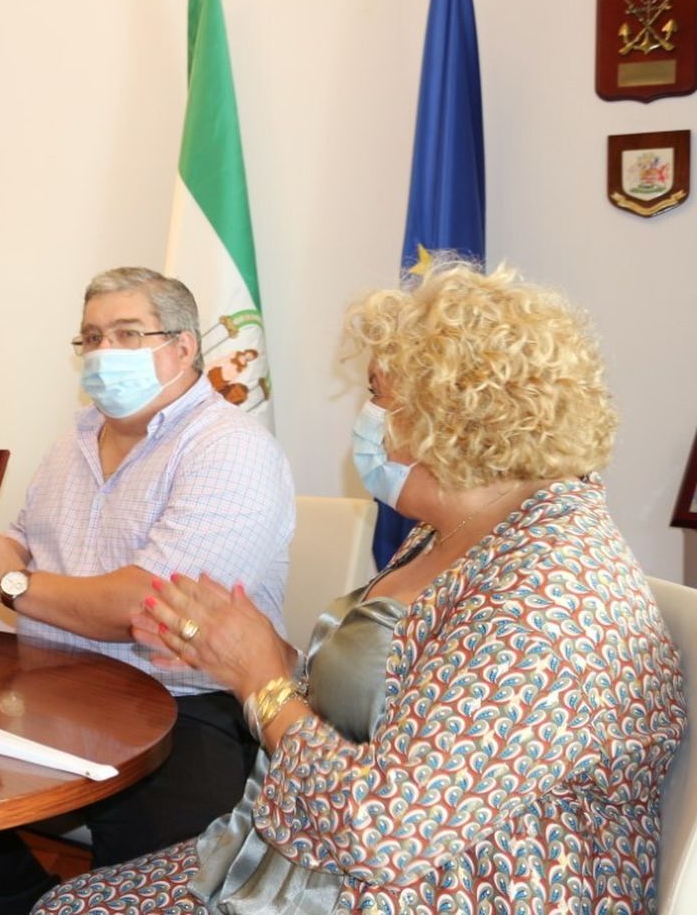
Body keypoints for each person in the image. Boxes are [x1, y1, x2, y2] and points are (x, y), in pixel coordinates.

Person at [37, 261, 687, 914]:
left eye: (378, 394)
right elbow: (385, 703)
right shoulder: (457, 529)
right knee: (72, 903)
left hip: (461, 888)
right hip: (348, 861)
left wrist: (261, 682)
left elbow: (385, 832)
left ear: (448, 412)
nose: (367, 417)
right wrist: (262, 653)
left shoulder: (549, 590)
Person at [0, 267, 293, 908]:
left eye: (128, 334)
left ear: (184, 347)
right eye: (92, 337)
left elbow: (149, 606)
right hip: (53, 687)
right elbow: (30, 542)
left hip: (183, 708)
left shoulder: (230, 448)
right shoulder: (74, 441)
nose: (104, 352)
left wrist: (15, 581)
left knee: (158, 884)